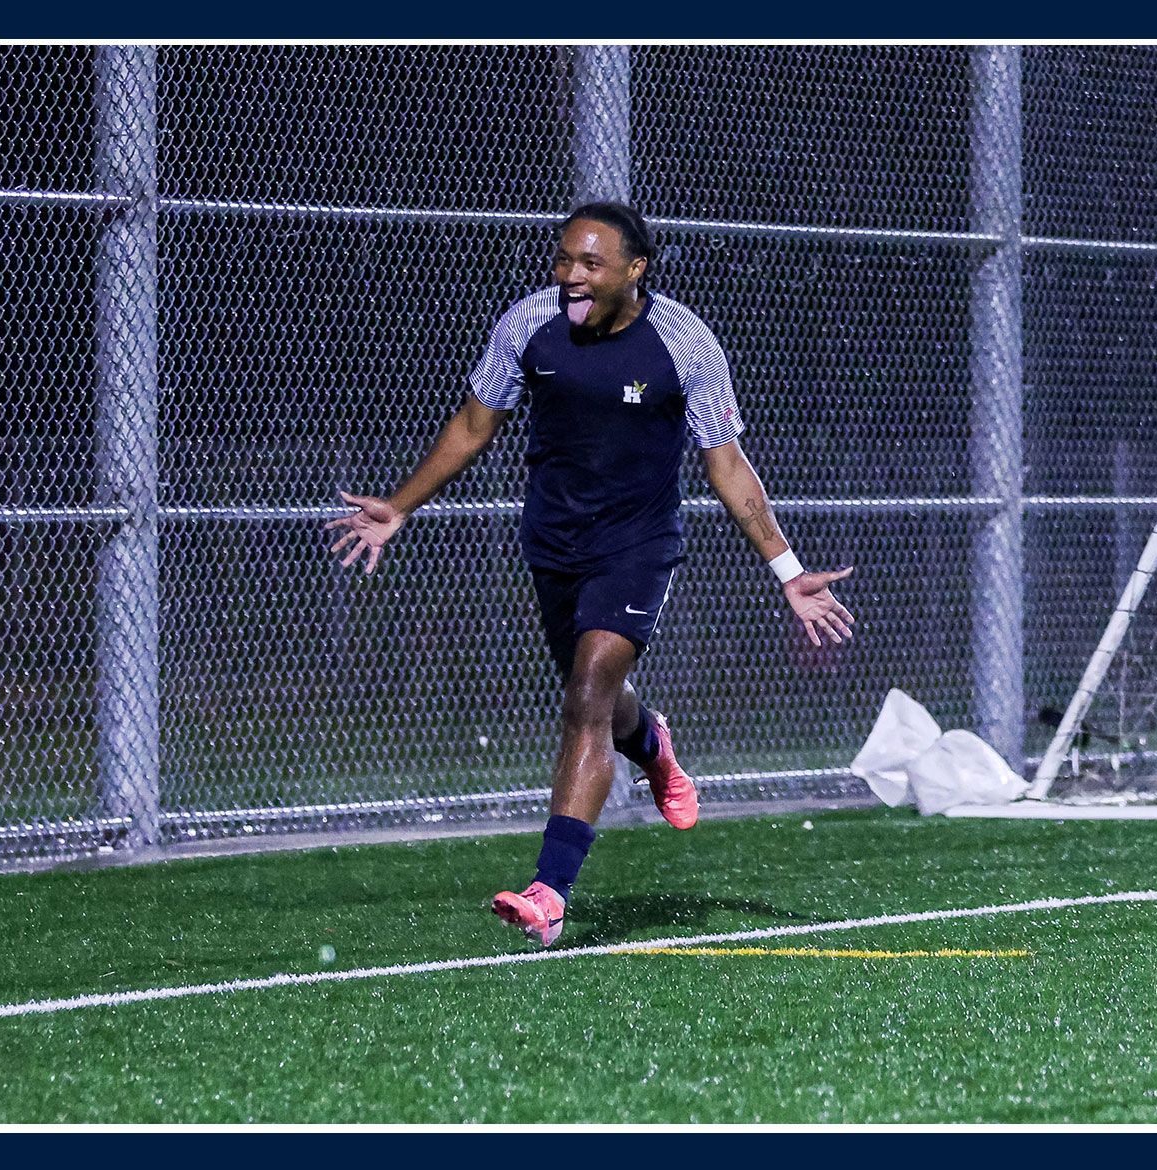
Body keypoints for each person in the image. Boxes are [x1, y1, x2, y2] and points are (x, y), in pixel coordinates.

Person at [327, 202, 854, 947]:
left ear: (636, 271)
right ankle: (653, 746)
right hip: (552, 545)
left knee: (585, 699)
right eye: (564, 259)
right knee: (600, 701)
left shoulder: (684, 343)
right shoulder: (528, 324)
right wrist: (399, 507)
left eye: (591, 263)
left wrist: (788, 570)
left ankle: (550, 891)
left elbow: (725, 463)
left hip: (636, 547)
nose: (571, 275)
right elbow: (477, 423)